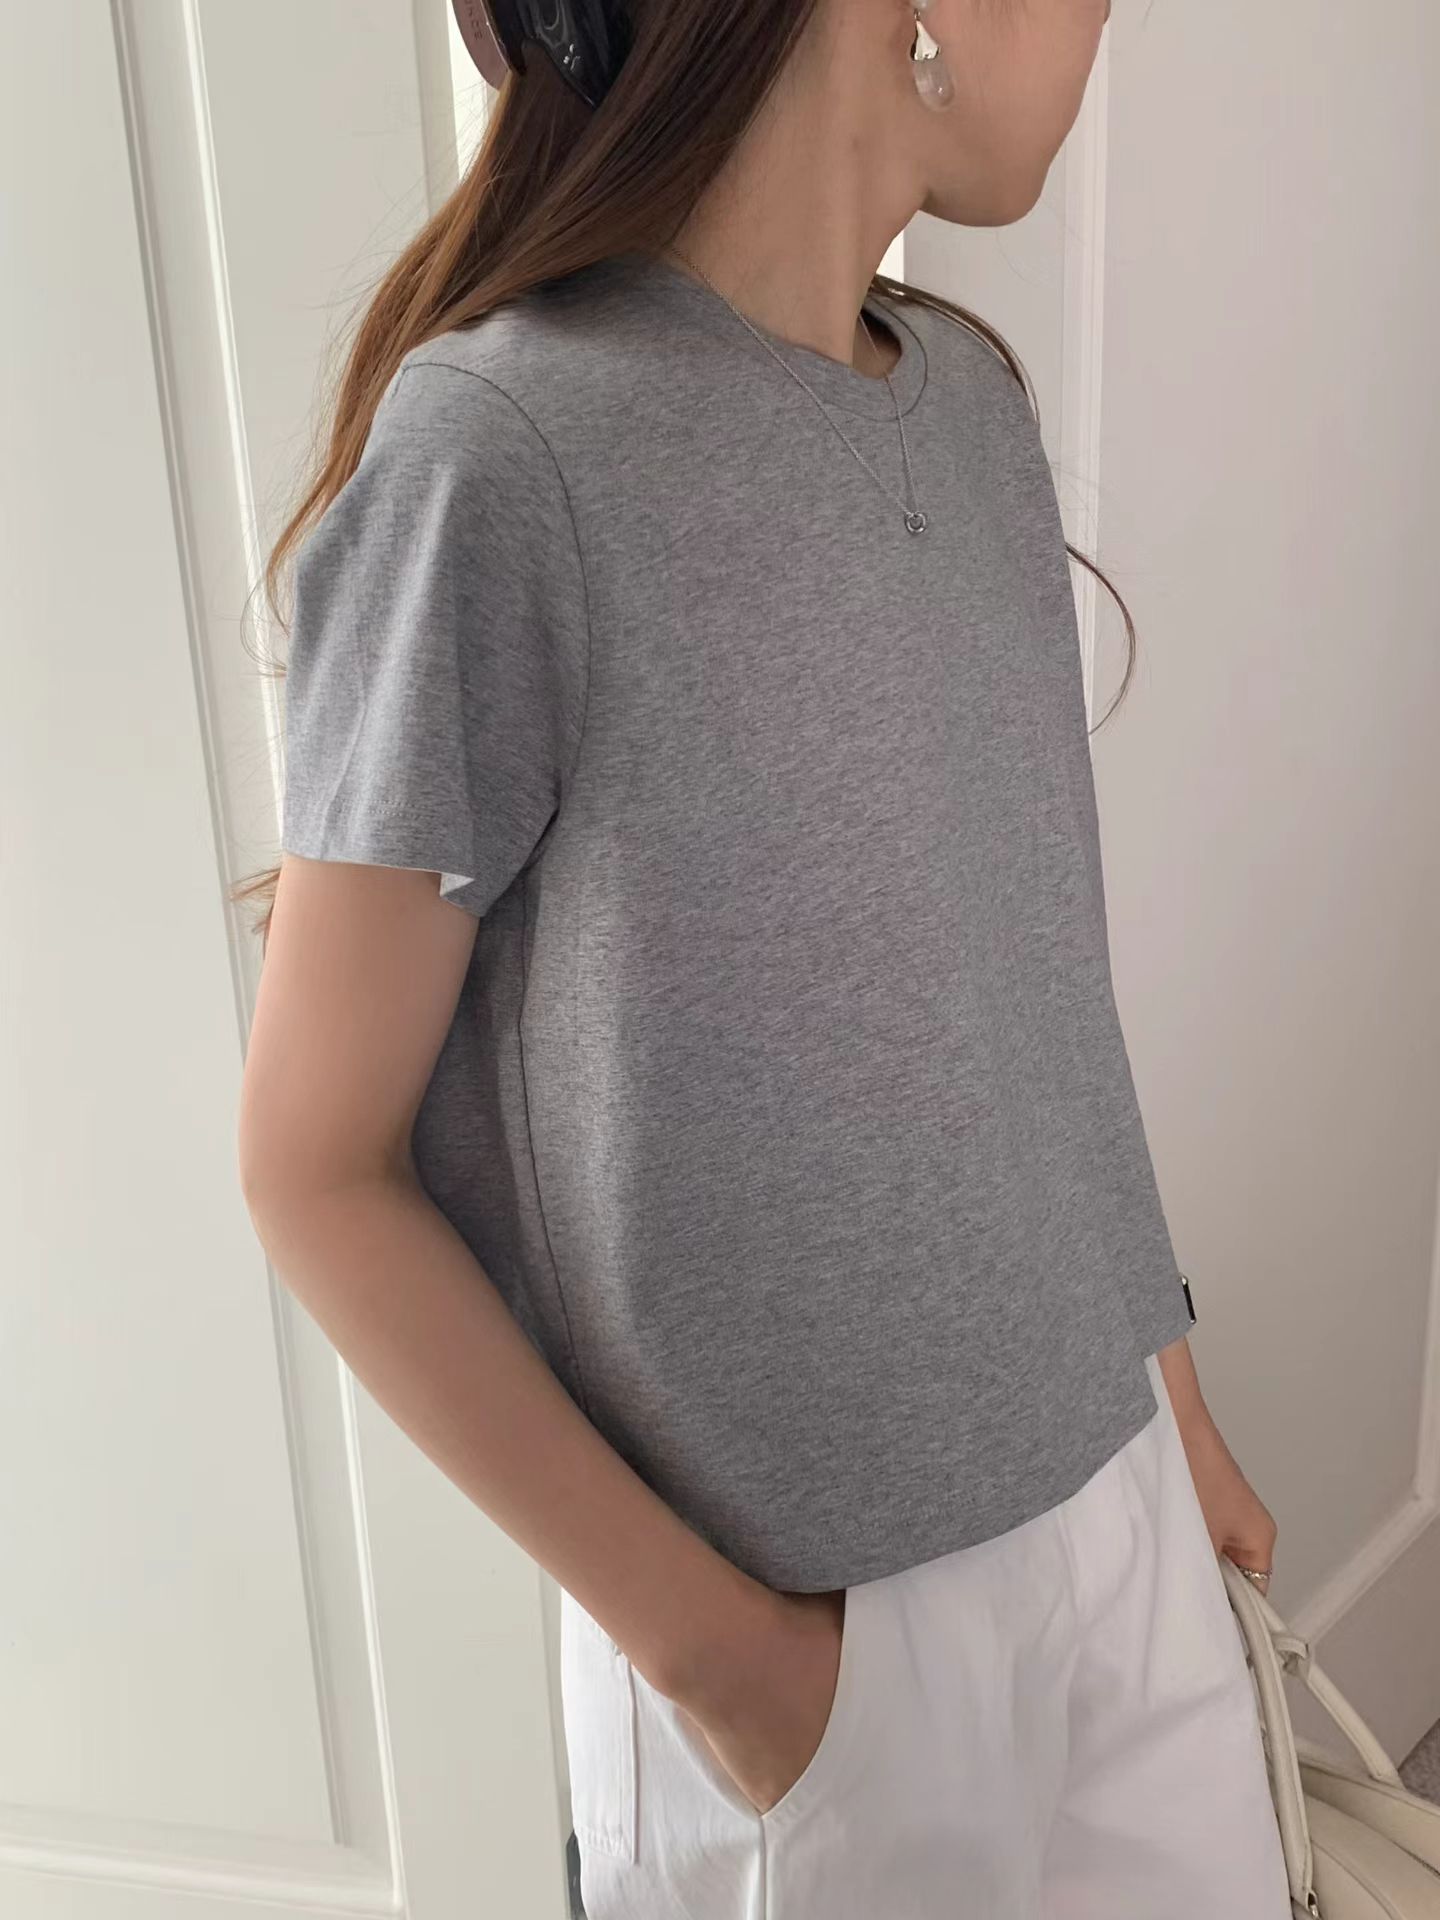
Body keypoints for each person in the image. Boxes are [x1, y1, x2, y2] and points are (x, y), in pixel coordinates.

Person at [236, 0, 1295, 1912]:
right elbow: (317, 1165)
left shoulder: (965, 404)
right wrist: (730, 1668)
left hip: (1116, 1499)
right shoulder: (504, 454)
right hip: (810, 1629)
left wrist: (1178, 1412)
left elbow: (1041, 987)